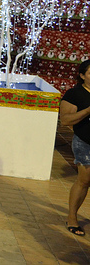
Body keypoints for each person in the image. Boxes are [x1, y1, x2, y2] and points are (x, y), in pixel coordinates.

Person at [61, 60, 90, 236]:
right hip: (85, 142)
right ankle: (72, 216)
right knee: (85, 180)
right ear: (82, 76)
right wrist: (88, 111)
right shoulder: (74, 94)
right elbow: (65, 120)